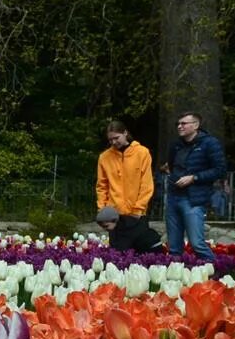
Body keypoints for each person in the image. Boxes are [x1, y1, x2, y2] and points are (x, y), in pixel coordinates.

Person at [162, 112, 226, 261]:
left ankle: (217, 274)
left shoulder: (210, 143)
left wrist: (194, 178)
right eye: (178, 123)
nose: (179, 126)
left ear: (196, 125)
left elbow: (220, 170)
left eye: (184, 123)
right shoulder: (176, 145)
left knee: (197, 244)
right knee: (174, 247)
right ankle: (175, 280)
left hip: (193, 200)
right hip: (173, 197)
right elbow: (171, 166)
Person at [95, 120, 157, 252]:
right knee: (118, 254)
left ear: (125, 133)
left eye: (116, 138)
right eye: (110, 139)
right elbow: (102, 185)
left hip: (137, 213)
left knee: (141, 253)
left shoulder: (142, 153)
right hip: (115, 214)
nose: (113, 142)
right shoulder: (104, 157)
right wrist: (103, 209)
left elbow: (146, 184)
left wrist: (138, 209)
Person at [96, 206, 163, 253]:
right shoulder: (120, 225)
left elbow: (122, 248)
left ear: (114, 220)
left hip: (151, 250)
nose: (104, 229)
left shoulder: (127, 226)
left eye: (106, 226)